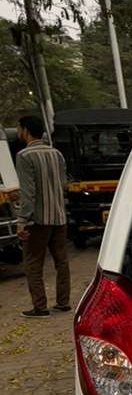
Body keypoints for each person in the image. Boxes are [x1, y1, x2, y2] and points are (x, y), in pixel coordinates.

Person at [15, 115, 71, 318]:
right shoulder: (57, 154)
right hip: (59, 216)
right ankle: (63, 302)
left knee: (33, 263)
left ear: (26, 130)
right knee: (61, 261)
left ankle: (40, 307)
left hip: (37, 221)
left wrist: (22, 221)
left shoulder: (24, 156)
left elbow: (28, 193)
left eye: (19, 128)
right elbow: (63, 185)